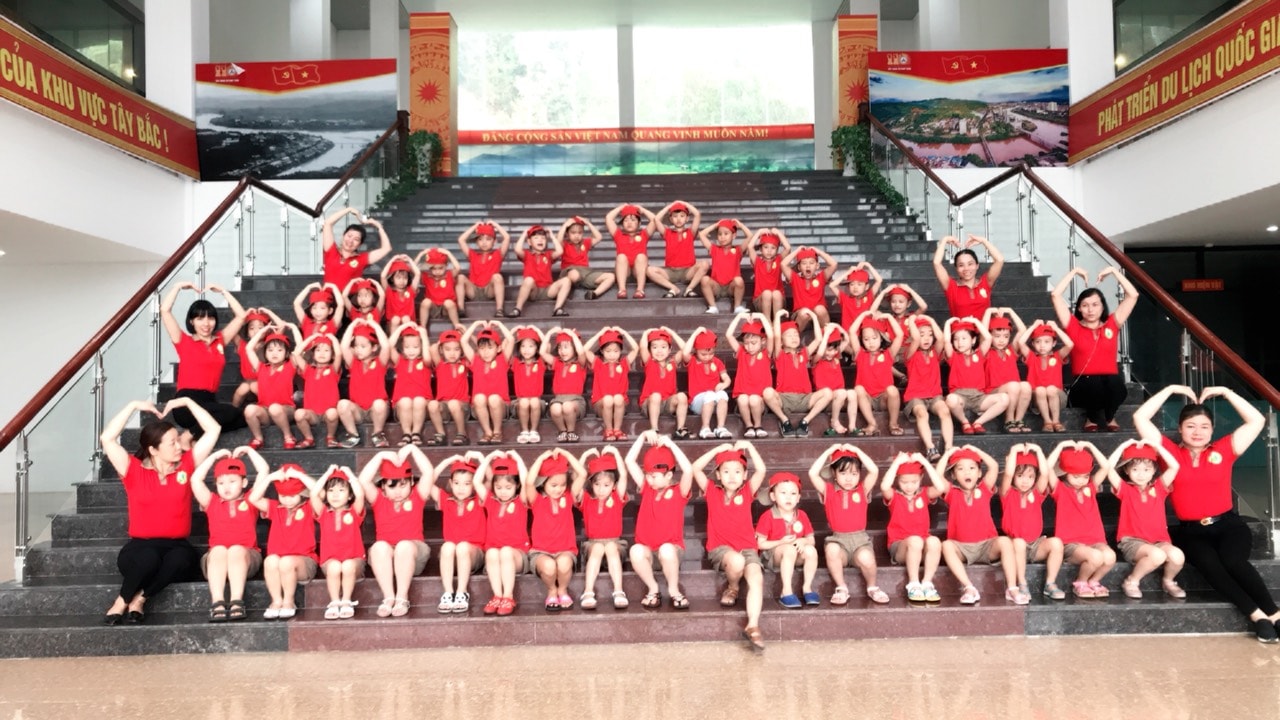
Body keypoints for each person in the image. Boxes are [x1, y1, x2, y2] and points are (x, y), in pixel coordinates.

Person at [1134, 384, 1280, 642]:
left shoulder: (1224, 449)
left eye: (1204, 426)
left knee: (1234, 561)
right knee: (1211, 566)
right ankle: (1257, 616)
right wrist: (1170, 389)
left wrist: (1227, 392)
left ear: (1212, 430)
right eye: (1190, 426)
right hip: (1192, 532)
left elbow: (1257, 420)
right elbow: (1140, 417)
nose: (1197, 432)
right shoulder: (1168, 453)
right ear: (1180, 429)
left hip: (1229, 525)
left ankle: (1275, 613)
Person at [99, 397, 220, 625]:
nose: (179, 446)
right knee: (149, 559)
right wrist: (133, 406)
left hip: (177, 545)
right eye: (172, 443)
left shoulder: (186, 465)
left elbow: (213, 429)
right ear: (153, 450)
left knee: (181, 561)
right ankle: (122, 601)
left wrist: (188, 402)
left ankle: (140, 598)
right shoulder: (132, 469)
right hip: (140, 547)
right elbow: (107, 438)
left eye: (178, 441)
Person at [692, 442, 768, 651]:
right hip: (721, 548)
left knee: (756, 577)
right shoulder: (711, 490)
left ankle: (753, 626)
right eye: (726, 471)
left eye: (737, 471)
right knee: (736, 560)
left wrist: (750, 446)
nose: (732, 476)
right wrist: (717, 450)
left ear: (744, 475)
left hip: (747, 548)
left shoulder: (747, 491)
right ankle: (733, 587)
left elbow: (761, 470)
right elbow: (695, 468)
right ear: (718, 475)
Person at [1051, 265, 1139, 431]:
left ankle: (1110, 416)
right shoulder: (1073, 326)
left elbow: (1133, 295)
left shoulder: (1112, 324)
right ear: (1079, 308)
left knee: (1114, 383)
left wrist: (1114, 271)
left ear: (1102, 306)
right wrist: (1074, 272)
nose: (1090, 310)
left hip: (1109, 383)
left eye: (1095, 304)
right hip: (1082, 385)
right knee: (1094, 382)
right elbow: (1055, 295)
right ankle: (1091, 419)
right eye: (1085, 305)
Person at [937, 446, 1025, 605]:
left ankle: (1012, 588)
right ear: (954, 475)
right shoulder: (952, 492)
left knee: (1005, 542)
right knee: (946, 545)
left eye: (972, 468)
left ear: (979, 473)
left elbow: (994, 466)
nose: (967, 472)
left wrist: (976, 450)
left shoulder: (984, 489)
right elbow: (937, 475)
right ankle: (969, 587)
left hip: (986, 546)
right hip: (962, 548)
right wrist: (948, 453)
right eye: (961, 469)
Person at [160, 281, 248, 439]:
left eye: (210, 318)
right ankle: (189, 435)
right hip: (186, 402)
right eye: (200, 318)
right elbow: (165, 311)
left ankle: (195, 433)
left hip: (209, 401)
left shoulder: (220, 340)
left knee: (242, 419)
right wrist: (177, 287)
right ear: (191, 321)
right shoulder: (183, 341)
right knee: (230, 412)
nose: (206, 323)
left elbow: (241, 316)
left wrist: (224, 291)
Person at [190, 447, 266, 622]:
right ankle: (217, 602)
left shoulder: (251, 499)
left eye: (232, 481)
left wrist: (249, 451)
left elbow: (263, 471)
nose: (226, 487)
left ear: (244, 483)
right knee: (219, 550)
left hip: (247, 556)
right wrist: (214, 456)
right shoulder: (212, 501)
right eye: (221, 483)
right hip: (216, 560)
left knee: (235, 550)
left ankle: (236, 601)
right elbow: (195, 479)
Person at [356, 445, 433, 618]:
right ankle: (389, 597)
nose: (398, 491)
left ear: (411, 482)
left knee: (404, 546)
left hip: (413, 553)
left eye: (403, 485)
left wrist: (413, 449)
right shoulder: (379, 499)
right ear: (383, 486)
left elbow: (428, 472)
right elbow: (363, 480)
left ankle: (402, 597)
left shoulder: (417, 495)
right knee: (379, 547)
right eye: (392, 487)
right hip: (386, 560)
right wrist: (380, 455)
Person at [1104, 439, 1186, 599]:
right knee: (1157, 555)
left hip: (1159, 541)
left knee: (1177, 555)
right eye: (1135, 469)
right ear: (1127, 470)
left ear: (1154, 470)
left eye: (1146, 469)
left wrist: (1157, 447)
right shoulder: (1125, 489)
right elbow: (1108, 467)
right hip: (1133, 542)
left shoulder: (1159, 488)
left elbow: (1175, 466)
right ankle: (1131, 581)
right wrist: (1123, 446)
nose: (1141, 474)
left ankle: (1168, 581)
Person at [807, 444, 888, 605]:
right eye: (843, 473)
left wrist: (857, 451)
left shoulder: (862, 489)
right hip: (839, 540)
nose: (849, 478)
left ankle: (872, 587)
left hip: (860, 541)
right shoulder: (829, 490)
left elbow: (874, 470)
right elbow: (812, 473)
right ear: (834, 473)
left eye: (854, 473)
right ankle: (841, 587)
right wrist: (829, 452)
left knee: (866, 558)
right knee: (832, 550)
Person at [624, 431, 694, 609]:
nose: (649, 480)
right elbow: (629, 461)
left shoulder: (679, 491)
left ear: (668, 475)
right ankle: (653, 588)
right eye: (647, 475)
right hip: (649, 550)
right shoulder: (647, 488)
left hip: (671, 551)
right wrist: (641, 437)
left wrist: (672, 445)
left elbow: (688, 470)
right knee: (635, 550)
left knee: (666, 550)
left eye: (654, 476)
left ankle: (674, 590)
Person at [1046, 440, 1116, 599]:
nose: (1081, 480)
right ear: (1065, 474)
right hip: (1072, 544)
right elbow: (1047, 468)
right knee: (1096, 557)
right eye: (1076, 476)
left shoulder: (1091, 487)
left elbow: (1106, 467)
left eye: (1085, 476)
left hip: (1095, 541)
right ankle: (1081, 582)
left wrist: (1091, 446)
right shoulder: (1060, 489)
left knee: (1110, 556)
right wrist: (1060, 446)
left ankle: (1094, 581)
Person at [248, 463, 319, 620]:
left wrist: (300, 476)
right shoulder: (275, 508)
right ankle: (276, 601)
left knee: (286, 562)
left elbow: (319, 492)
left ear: (302, 493)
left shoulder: (309, 506)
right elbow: (253, 498)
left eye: (292, 496)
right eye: (283, 496)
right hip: (278, 562)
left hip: (304, 562)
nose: (287, 500)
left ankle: (288, 601)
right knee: (270, 560)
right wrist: (270, 478)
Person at [999, 443, 1066, 601]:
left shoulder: (1037, 493)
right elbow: (1007, 474)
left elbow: (1045, 473)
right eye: (1020, 476)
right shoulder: (1007, 493)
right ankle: (1022, 583)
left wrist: (1038, 450)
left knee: (1056, 543)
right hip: (1015, 545)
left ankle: (1050, 583)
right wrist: (1014, 450)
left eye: (1030, 477)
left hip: (1035, 545)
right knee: (1019, 543)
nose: (1025, 481)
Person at [880, 451, 946, 603]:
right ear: (897, 479)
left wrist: (925, 462)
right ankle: (914, 584)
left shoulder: (924, 494)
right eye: (904, 482)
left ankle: (927, 583)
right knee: (915, 541)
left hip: (922, 543)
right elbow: (884, 486)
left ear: (921, 478)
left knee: (934, 541)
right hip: (900, 545)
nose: (909, 486)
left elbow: (940, 487)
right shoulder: (894, 496)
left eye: (914, 481)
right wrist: (897, 463)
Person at [425, 453, 487, 614]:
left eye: (467, 483)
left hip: (474, 553)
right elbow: (427, 482)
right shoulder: (446, 500)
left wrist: (481, 458)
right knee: (447, 546)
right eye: (457, 483)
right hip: (451, 556)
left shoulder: (479, 500)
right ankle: (448, 593)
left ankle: (461, 592)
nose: (461, 488)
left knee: (462, 547)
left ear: (474, 485)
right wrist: (447, 460)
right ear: (451, 483)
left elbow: (490, 480)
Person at [526, 449, 587, 612]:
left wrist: (566, 454)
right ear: (543, 483)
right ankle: (552, 590)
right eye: (553, 485)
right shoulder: (537, 499)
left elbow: (582, 474)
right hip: (541, 551)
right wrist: (541, 457)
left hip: (565, 550)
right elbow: (529, 482)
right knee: (549, 566)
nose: (558, 489)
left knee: (564, 563)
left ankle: (562, 590)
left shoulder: (568, 497)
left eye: (562, 485)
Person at [572, 447, 629, 610]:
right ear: (591, 484)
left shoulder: (617, 497)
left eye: (606, 485)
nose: (601, 489)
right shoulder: (587, 499)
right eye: (597, 484)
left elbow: (623, 475)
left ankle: (618, 591)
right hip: (593, 545)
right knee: (597, 547)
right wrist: (584, 456)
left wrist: (616, 453)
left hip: (615, 545)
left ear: (613, 485)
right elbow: (576, 479)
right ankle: (588, 591)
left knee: (610, 546)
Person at [306, 465, 365, 620]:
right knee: (334, 566)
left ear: (350, 495)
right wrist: (327, 473)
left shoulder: (354, 511)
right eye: (331, 490)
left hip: (354, 561)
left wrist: (349, 473)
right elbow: (313, 494)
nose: (335, 495)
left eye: (341, 490)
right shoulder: (324, 513)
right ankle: (334, 602)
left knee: (347, 565)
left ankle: (346, 600)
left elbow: (360, 494)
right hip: (330, 561)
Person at [475, 451, 530, 616]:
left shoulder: (521, 501)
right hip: (496, 556)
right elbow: (476, 481)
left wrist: (518, 458)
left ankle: (508, 596)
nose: (503, 492)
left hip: (517, 555)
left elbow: (527, 481)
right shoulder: (491, 501)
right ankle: (497, 595)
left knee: (505, 551)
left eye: (508, 487)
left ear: (516, 486)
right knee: (491, 552)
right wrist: (488, 458)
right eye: (498, 487)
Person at [756, 471, 819, 609]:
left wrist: (803, 541)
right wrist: (781, 542)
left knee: (811, 550)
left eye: (793, 493)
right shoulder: (768, 516)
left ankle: (807, 588)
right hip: (773, 556)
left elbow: (811, 540)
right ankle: (786, 591)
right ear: (773, 496)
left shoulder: (802, 515)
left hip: (795, 554)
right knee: (789, 549)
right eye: (783, 493)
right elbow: (760, 544)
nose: (788, 497)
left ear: (798, 498)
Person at [767, 310, 832, 437]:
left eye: (796, 335)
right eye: (789, 335)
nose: (794, 338)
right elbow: (776, 336)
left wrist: (814, 316)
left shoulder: (804, 353)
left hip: (805, 398)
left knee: (828, 392)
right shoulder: (780, 354)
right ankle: (784, 421)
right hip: (784, 398)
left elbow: (818, 339)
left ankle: (805, 421)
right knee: (767, 392)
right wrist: (777, 316)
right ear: (781, 341)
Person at [943, 317, 1009, 435]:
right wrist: (948, 323)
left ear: (973, 340)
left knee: (1004, 398)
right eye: (956, 339)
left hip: (979, 397)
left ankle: (978, 422)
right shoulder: (953, 356)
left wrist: (975, 322)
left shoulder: (980, 354)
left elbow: (988, 338)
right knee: (951, 400)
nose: (960, 342)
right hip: (960, 396)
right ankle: (965, 422)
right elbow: (946, 342)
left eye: (964, 338)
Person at [243, 324, 303, 449]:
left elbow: (300, 348)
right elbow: (249, 348)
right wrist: (263, 331)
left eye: (279, 350)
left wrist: (294, 328)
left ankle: (288, 436)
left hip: (286, 409)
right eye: (270, 350)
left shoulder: (289, 366)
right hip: (265, 410)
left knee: (275, 408)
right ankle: (258, 438)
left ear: (286, 353)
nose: (274, 353)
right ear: (265, 353)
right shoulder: (261, 367)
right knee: (249, 409)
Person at [902, 315, 952, 462]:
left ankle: (949, 448)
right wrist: (912, 321)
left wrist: (931, 320)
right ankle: (931, 448)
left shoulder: (934, 352)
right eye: (922, 334)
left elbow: (941, 339)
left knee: (945, 411)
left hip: (934, 394)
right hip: (915, 395)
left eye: (930, 335)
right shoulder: (910, 353)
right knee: (922, 413)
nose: (926, 338)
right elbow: (916, 339)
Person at [337, 319, 391, 448]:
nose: (358, 350)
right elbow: (344, 347)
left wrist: (375, 325)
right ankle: (353, 435)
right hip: (359, 410)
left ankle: (377, 434)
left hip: (376, 411)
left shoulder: (380, 362)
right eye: (356, 346)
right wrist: (352, 324)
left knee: (379, 403)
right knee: (342, 404)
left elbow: (386, 346)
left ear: (374, 347)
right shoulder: (354, 363)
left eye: (363, 346)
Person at [849, 311, 904, 437]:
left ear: (881, 338)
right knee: (858, 388)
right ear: (862, 340)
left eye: (874, 338)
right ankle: (872, 423)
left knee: (892, 389)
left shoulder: (888, 354)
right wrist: (863, 315)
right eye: (866, 339)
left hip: (884, 399)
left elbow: (900, 335)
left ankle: (893, 424)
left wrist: (889, 316)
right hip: (867, 399)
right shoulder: (860, 354)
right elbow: (852, 331)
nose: (871, 342)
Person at [1015, 319, 1073, 432]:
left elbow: (1070, 344)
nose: (1042, 345)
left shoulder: (1057, 356)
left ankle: (1056, 421)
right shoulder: (1032, 357)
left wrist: (1056, 328)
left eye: (1047, 342)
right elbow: (1021, 342)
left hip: (1057, 397)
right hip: (1037, 399)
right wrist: (1033, 326)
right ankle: (1047, 422)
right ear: (1033, 344)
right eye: (1038, 342)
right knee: (1040, 389)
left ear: (1054, 343)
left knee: (1051, 389)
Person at [463, 321, 513, 445]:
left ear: (498, 348)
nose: (486, 352)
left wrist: (500, 324)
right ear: (478, 349)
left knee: (494, 398)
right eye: (482, 348)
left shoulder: (502, 359)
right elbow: (463, 341)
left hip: (500, 405)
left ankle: (497, 432)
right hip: (479, 407)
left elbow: (511, 340)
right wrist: (475, 324)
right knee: (479, 397)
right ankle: (487, 432)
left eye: (490, 348)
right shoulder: (475, 360)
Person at [585, 326, 639, 442]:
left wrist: (624, 332)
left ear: (620, 351)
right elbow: (585, 350)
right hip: (601, 404)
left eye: (616, 351)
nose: (612, 355)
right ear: (602, 351)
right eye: (608, 351)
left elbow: (635, 349)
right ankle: (608, 430)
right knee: (608, 398)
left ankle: (617, 430)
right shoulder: (598, 364)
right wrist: (600, 333)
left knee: (618, 397)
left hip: (619, 404)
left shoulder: (623, 364)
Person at [931, 234, 1004, 319]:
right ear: (956, 268)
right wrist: (944, 240)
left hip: (984, 327)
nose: (966, 268)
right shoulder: (951, 287)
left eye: (970, 264)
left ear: (977, 265)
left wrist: (984, 241)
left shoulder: (985, 282)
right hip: (960, 327)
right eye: (961, 265)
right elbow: (936, 263)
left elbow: (999, 260)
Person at [982, 309, 1032, 433]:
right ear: (990, 336)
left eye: (1006, 336)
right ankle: (1008, 420)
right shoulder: (986, 351)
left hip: (1014, 389)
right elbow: (984, 333)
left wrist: (1010, 311)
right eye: (997, 336)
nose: (1002, 340)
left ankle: (1018, 420)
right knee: (1014, 385)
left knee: (1026, 385)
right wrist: (988, 312)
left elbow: (1022, 330)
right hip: (994, 391)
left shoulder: (1011, 350)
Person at [726, 313, 775, 438]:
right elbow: (728, 335)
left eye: (754, 343)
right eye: (747, 343)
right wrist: (738, 317)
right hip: (743, 396)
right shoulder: (741, 352)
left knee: (754, 399)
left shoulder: (766, 353)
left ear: (762, 341)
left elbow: (771, 335)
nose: (750, 346)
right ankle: (749, 426)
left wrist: (762, 317)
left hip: (759, 399)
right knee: (742, 398)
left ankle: (758, 425)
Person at [321, 207, 392, 290]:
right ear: (343, 236)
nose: (350, 241)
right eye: (349, 236)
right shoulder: (331, 251)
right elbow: (328, 223)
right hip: (328, 297)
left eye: (356, 239)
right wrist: (348, 209)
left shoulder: (361, 259)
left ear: (359, 244)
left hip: (351, 297)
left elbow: (386, 248)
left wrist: (379, 226)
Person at [510, 225, 572, 318]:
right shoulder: (527, 254)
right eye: (536, 238)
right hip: (533, 291)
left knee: (566, 280)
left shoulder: (548, 254)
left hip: (547, 290)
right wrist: (524, 234)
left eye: (543, 238)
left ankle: (557, 308)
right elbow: (517, 250)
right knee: (528, 280)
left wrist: (552, 236)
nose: (540, 240)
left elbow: (560, 251)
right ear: (529, 242)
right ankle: (517, 309)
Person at [638, 327, 690, 437]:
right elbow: (642, 347)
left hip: (667, 403)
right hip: (650, 403)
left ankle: (680, 429)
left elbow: (685, 350)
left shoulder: (672, 362)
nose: (659, 351)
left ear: (669, 349)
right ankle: (654, 429)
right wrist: (646, 332)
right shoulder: (649, 362)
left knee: (682, 396)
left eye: (663, 347)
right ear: (650, 350)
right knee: (656, 396)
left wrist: (672, 333)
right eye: (655, 347)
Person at [650, 200, 708, 298]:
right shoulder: (667, 232)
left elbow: (697, 214)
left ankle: (689, 288)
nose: (678, 219)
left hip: (688, 271)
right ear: (671, 219)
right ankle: (673, 288)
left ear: (687, 218)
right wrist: (670, 206)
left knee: (705, 264)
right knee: (650, 270)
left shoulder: (691, 232)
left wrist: (684, 203)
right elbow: (656, 219)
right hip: (671, 271)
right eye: (675, 216)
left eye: (682, 216)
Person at [388, 323, 432, 447]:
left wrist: (424, 336)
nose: (411, 350)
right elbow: (388, 346)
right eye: (407, 347)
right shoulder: (400, 360)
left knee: (418, 400)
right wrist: (402, 327)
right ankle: (406, 433)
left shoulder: (425, 361)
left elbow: (427, 356)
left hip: (423, 403)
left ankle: (416, 433)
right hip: (402, 404)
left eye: (416, 347)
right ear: (402, 348)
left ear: (421, 347)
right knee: (405, 401)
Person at [542, 327, 588, 443]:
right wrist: (549, 333)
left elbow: (581, 352)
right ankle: (562, 431)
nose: (562, 351)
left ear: (574, 348)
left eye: (566, 347)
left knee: (567, 406)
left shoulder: (580, 363)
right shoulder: (557, 363)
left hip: (576, 400)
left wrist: (572, 335)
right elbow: (542, 353)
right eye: (560, 347)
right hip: (558, 399)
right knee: (555, 408)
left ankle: (571, 431)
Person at [457, 220, 511, 318]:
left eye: (488, 239)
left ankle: (499, 310)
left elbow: (507, 237)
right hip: (473, 291)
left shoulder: (497, 254)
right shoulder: (473, 255)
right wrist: (475, 226)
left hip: (489, 290)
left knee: (497, 277)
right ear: (477, 242)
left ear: (494, 241)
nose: (484, 242)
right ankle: (460, 309)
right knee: (460, 277)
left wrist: (495, 225)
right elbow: (461, 240)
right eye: (480, 239)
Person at [685, 328, 732, 439]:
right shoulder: (692, 361)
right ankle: (705, 427)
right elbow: (685, 352)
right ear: (696, 350)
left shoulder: (717, 362)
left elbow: (727, 378)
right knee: (710, 394)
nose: (707, 357)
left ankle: (721, 427)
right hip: (698, 402)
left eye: (711, 353)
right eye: (703, 354)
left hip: (714, 402)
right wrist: (695, 333)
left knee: (723, 394)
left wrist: (724, 384)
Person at [428, 328, 471, 446]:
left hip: (462, 405)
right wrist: (441, 342)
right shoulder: (440, 364)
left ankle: (462, 433)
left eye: (456, 349)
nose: (452, 353)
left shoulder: (464, 362)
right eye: (447, 349)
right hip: (444, 405)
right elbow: (432, 349)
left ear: (461, 350)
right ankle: (440, 434)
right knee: (432, 404)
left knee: (453, 403)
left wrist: (464, 337)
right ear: (441, 350)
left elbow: (474, 354)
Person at [697, 218, 750, 314]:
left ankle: (737, 306)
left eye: (726, 234)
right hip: (716, 286)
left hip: (731, 287)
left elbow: (750, 236)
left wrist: (741, 226)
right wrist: (715, 225)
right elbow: (701, 234)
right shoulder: (714, 249)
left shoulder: (738, 250)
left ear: (734, 235)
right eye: (720, 234)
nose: (722, 237)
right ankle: (713, 306)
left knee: (739, 280)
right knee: (704, 279)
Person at [556, 215, 616, 300]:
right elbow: (558, 240)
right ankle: (566, 289)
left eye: (580, 233)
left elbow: (599, 237)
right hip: (570, 271)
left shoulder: (585, 243)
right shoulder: (565, 244)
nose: (577, 236)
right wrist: (565, 225)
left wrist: (588, 223)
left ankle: (594, 293)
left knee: (610, 276)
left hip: (585, 273)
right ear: (567, 233)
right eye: (573, 233)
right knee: (574, 275)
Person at [605, 203, 658, 299]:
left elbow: (655, 220)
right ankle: (622, 290)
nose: (629, 223)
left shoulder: (644, 234)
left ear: (639, 223)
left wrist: (642, 210)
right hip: (625, 272)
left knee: (641, 256)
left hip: (639, 272)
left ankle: (640, 290)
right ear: (622, 224)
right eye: (626, 220)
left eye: (633, 220)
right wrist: (620, 207)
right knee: (621, 257)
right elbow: (609, 218)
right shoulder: (618, 235)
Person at [781, 245, 837, 333]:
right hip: (801, 315)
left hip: (818, 317)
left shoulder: (821, 277)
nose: (808, 266)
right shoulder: (795, 279)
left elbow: (834, 264)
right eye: (804, 263)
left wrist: (819, 252)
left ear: (817, 266)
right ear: (799, 267)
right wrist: (797, 251)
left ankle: (827, 336)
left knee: (820, 309)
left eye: (811, 263)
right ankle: (795, 335)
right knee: (805, 312)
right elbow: (783, 264)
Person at [510, 326, 547, 444]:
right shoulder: (516, 362)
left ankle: (534, 431)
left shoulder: (540, 362)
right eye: (523, 346)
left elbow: (546, 346)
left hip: (537, 400)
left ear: (537, 348)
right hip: (519, 401)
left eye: (531, 346)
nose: (527, 350)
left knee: (534, 401)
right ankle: (524, 431)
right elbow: (507, 346)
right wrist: (513, 330)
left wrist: (537, 329)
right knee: (524, 402)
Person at [745, 228, 791, 321]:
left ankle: (776, 321)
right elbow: (750, 247)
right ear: (760, 249)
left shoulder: (779, 260)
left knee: (776, 293)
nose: (769, 251)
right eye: (766, 247)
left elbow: (788, 248)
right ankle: (767, 321)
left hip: (778, 300)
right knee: (767, 293)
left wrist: (778, 233)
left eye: (773, 248)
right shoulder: (757, 261)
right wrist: (759, 232)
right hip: (760, 300)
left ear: (777, 250)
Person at [414, 247, 463, 330]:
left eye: (440, 268)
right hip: (433, 308)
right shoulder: (427, 276)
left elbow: (458, 268)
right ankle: (423, 328)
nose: (437, 271)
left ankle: (457, 326)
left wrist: (448, 253)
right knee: (425, 302)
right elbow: (413, 270)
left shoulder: (449, 275)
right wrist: (421, 254)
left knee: (449, 303)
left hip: (446, 309)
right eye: (434, 268)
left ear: (446, 266)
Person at [231, 308, 270, 407]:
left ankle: (268, 407)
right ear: (247, 332)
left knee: (253, 386)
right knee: (242, 389)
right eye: (252, 328)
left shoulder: (269, 346)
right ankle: (233, 410)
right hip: (247, 382)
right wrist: (243, 316)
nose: (256, 331)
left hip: (266, 383)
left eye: (260, 327)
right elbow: (232, 332)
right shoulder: (242, 345)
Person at [380, 254, 420, 334]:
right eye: (398, 278)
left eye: (405, 278)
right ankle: (393, 341)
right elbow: (383, 276)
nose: (402, 281)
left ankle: (407, 337)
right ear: (392, 279)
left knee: (406, 318)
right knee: (396, 319)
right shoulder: (389, 291)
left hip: (408, 322)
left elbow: (418, 274)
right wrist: (392, 260)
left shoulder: (411, 290)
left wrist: (409, 260)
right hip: (393, 325)